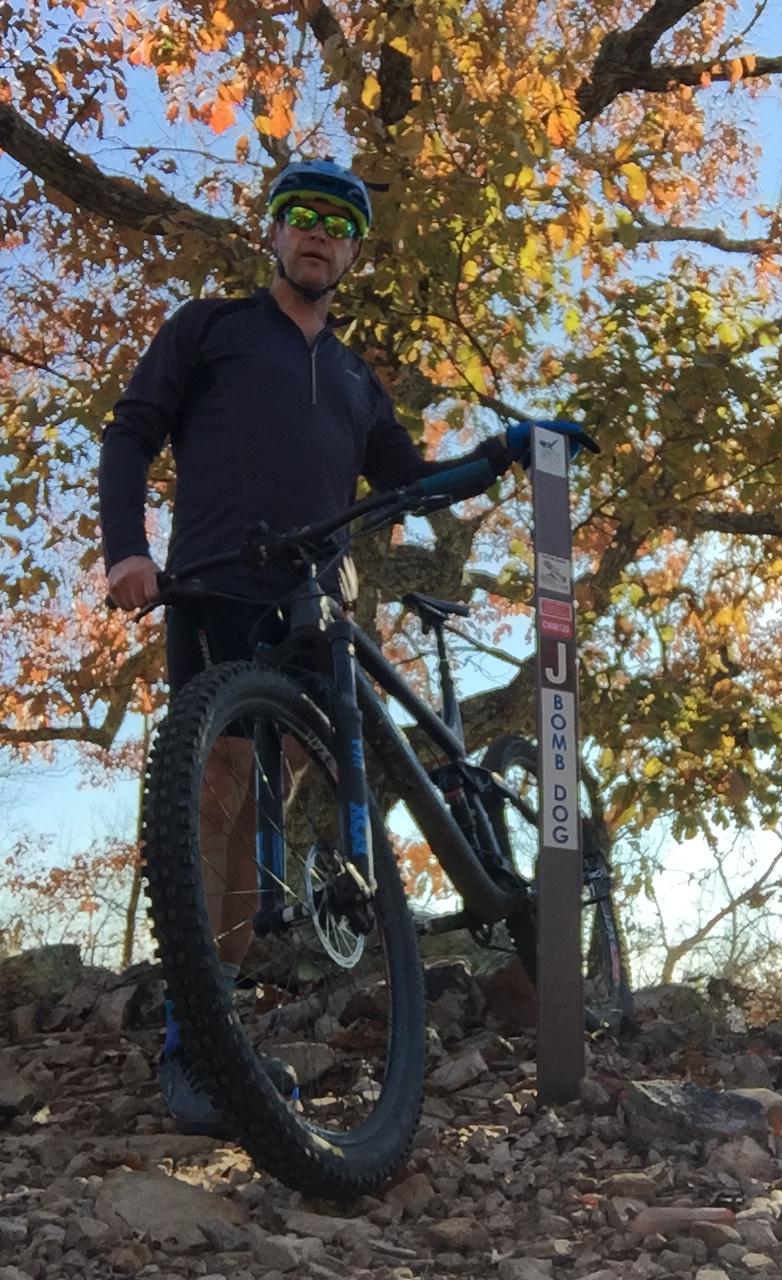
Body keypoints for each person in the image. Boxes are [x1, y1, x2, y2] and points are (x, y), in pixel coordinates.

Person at [98, 157, 584, 1135]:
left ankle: (238, 1031)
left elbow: (411, 480)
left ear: (353, 251)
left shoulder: (359, 378)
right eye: (301, 215)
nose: (319, 232)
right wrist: (125, 551)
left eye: (339, 223)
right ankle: (196, 1049)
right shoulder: (210, 329)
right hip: (212, 588)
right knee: (213, 804)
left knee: (269, 806)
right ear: (271, 234)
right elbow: (129, 433)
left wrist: (505, 453)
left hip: (313, 607)